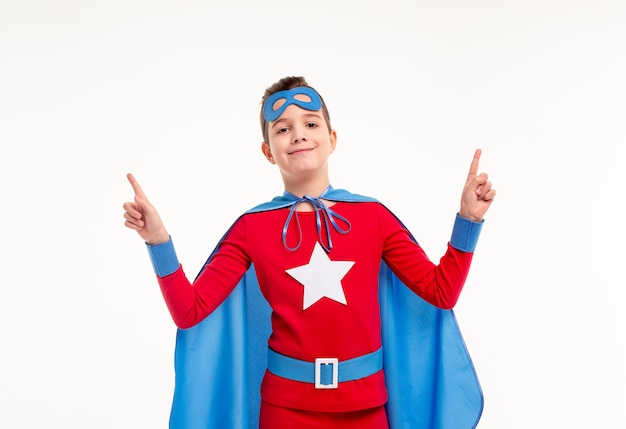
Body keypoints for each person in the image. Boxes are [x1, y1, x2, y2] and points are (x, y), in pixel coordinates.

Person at [123, 76, 495, 429]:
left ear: (332, 138)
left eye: (311, 124)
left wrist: (467, 221)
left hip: (364, 407)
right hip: (286, 409)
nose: (298, 134)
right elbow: (190, 312)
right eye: (283, 128)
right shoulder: (252, 227)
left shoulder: (373, 216)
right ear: (268, 151)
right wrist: (158, 242)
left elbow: (440, 292)